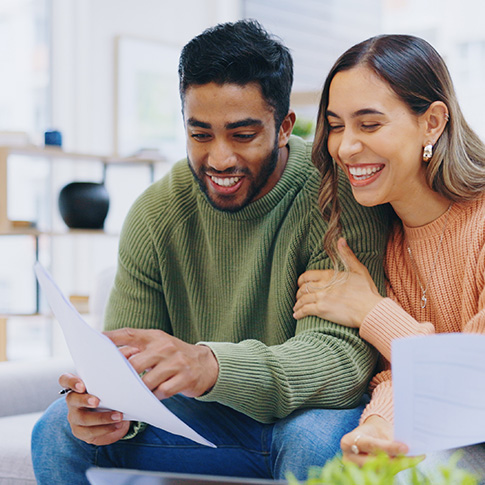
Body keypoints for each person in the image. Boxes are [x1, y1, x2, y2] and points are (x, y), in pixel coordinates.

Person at [31, 20, 390, 484]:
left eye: (242, 135)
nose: (220, 159)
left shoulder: (333, 197)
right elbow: (126, 361)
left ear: (283, 128)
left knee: (315, 442)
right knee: (55, 430)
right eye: (201, 134)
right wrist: (109, 409)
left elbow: (339, 364)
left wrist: (212, 365)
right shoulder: (157, 214)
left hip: (301, 419)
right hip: (203, 423)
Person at [292, 33, 485, 478]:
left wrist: (371, 310)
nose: (344, 147)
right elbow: (403, 373)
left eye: (370, 124)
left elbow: (473, 382)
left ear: (433, 122)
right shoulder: (388, 237)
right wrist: (380, 425)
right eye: (337, 125)